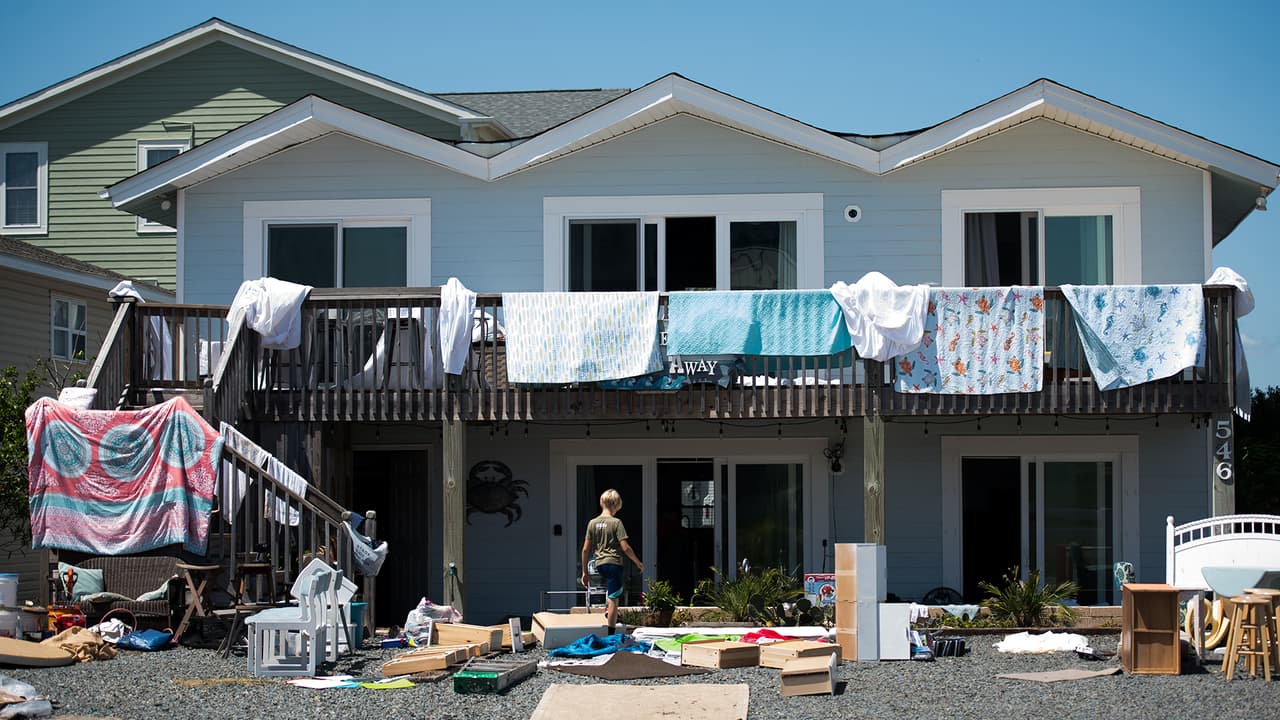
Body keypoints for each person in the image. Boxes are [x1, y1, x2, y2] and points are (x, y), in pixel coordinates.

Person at [580, 488, 644, 634]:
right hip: (614, 563)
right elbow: (626, 547)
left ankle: (608, 609)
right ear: (616, 505)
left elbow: (585, 550)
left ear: (602, 503)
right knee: (615, 597)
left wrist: (584, 572)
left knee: (611, 591)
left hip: (599, 565)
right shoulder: (616, 523)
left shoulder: (592, 523)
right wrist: (637, 562)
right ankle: (611, 632)